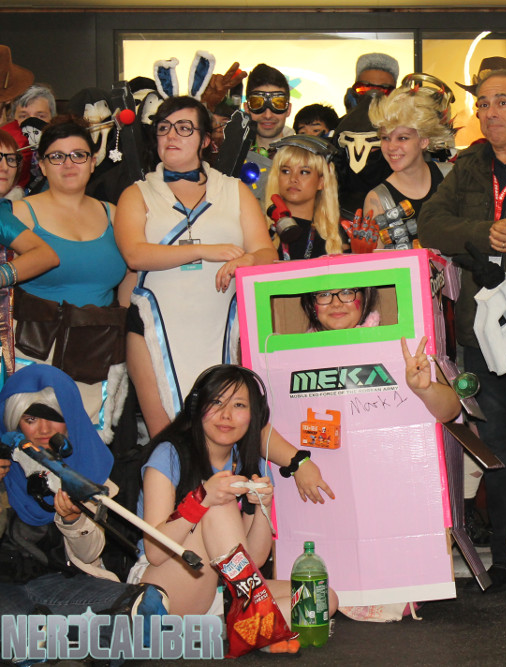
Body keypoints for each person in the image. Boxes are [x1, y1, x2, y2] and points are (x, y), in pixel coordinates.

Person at [417, 68, 506, 591]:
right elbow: (430, 225)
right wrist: (483, 233)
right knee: (493, 440)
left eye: (502, 102)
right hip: (482, 328)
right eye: (484, 105)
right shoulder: (469, 165)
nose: (491, 113)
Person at [114, 95, 277, 437]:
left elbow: (266, 253)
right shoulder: (138, 193)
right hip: (155, 323)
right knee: (168, 440)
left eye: (184, 128)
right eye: (164, 128)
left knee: (224, 432)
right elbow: (135, 255)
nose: (172, 135)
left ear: (205, 140)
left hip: (221, 323)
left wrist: (247, 259)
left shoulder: (233, 190)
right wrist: (204, 251)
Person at [134, 365, 329, 639]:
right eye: (216, 402)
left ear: (254, 415)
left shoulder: (252, 463)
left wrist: (263, 507)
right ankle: (254, 624)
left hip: (227, 591)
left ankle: (236, 628)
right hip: (165, 587)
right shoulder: (169, 454)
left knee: (320, 599)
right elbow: (154, 553)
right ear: (197, 407)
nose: (226, 415)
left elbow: (254, 560)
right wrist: (202, 498)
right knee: (219, 504)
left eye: (239, 405)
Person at [0, 364, 169, 638]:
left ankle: (50, 633)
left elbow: (90, 555)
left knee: (143, 605)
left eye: (55, 417)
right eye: (30, 419)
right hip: (6, 586)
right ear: (14, 420)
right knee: (17, 629)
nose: (43, 429)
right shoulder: (5, 465)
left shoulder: (90, 469)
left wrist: (73, 521)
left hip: (61, 584)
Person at [9, 121, 128, 442]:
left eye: (78, 154)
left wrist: (126, 332)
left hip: (98, 349)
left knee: (87, 448)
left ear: (93, 161)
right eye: (57, 156)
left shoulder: (114, 214)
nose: (68, 164)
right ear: (42, 165)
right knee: (31, 450)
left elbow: (133, 275)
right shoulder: (18, 213)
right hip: (31, 348)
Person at [360, 83, 455, 250]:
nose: (391, 147)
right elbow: (374, 261)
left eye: (402, 138)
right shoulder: (378, 199)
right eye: (385, 138)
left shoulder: (451, 175)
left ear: (423, 140)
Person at [263, 134, 342, 260]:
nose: (293, 179)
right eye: (286, 171)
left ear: (321, 182)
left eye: (304, 172)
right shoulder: (260, 232)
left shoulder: (335, 237)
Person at [244, 63, 293, 155]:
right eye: (257, 104)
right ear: (247, 108)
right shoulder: (232, 155)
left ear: (288, 109)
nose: (268, 115)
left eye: (278, 104)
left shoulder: (306, 158)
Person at [300, 286, 379, 331]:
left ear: (365, 299)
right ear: (312, 304)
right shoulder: (302, 353)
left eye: (346, 292)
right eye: (324, 294)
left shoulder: (381, 349)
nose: (336, 303)